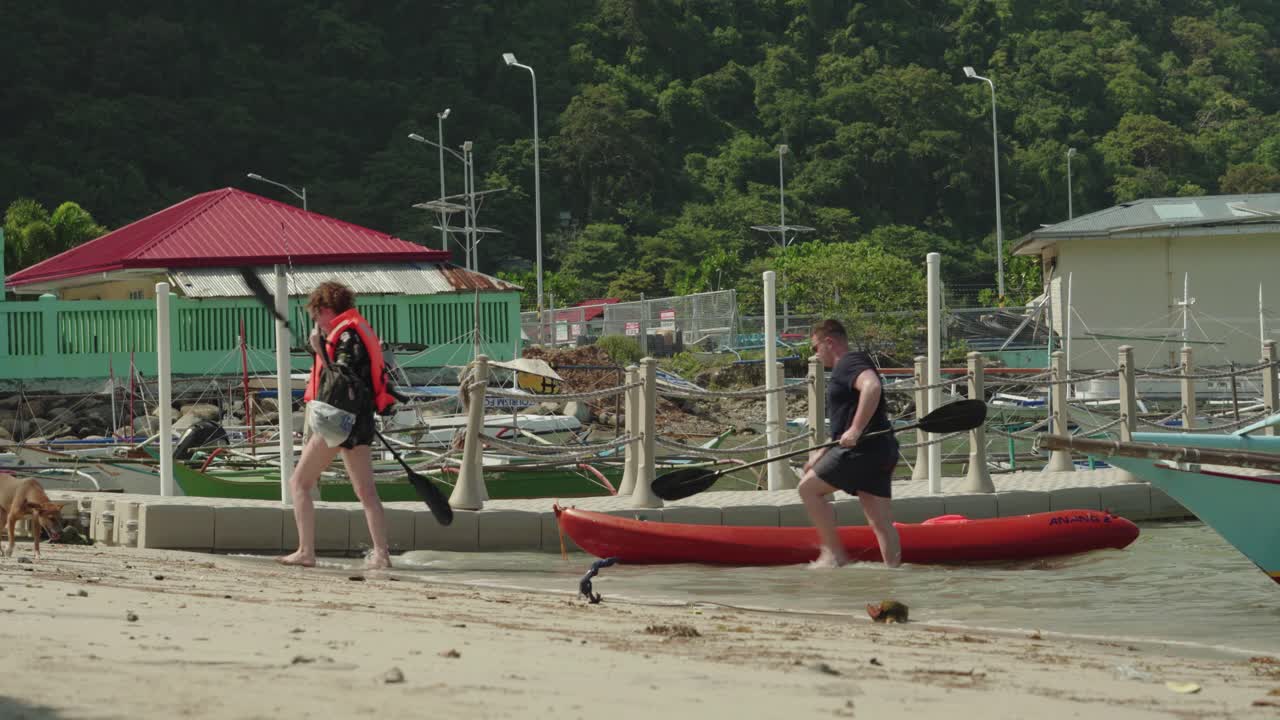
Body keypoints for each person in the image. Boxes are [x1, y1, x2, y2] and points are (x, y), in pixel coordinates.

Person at [279, 281, 399, 569]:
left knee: (299, 483)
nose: (315, 322)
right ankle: (381, 555)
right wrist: (321, 347)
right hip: (361, 422)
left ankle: (306, 551)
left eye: (316, 315)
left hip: (338, 421)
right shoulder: (357, 330)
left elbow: (343, 378)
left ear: (326, 310)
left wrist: (318, 349)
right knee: (366, 491)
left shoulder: (345, 336)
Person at [799, 319, 902, 568]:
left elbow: (872, 386)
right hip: (881, 449)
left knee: (808, 489)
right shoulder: (851, 364)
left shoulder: (847, 363)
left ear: (829, 342)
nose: (815, 354)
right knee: (880, 523)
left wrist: (856, 430)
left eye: (815, 347)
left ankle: (834, 555)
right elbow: (840, 428)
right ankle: (895, 575)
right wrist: (820, 453)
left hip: (861, 451)